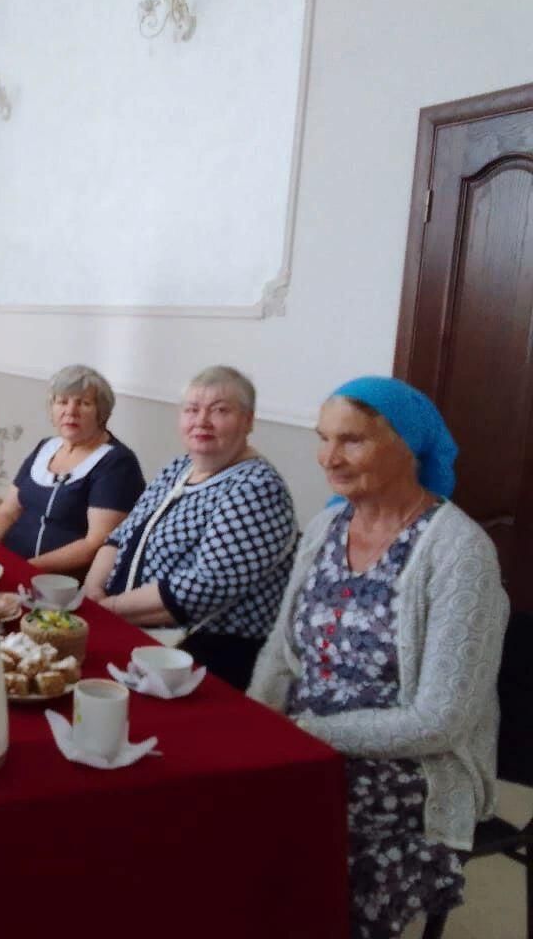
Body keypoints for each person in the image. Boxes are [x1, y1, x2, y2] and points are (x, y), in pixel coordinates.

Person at [249, 377, 508, 939]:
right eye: (323, 438)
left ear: (407, 446)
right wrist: (253, 727)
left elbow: (439, 721)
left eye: (352, 441)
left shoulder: (459, 552)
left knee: (293, 822)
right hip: (305, 733)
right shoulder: (326, 525)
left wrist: (304, 733)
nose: (329, 458)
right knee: (219, 788)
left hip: (414, 766)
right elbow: (279, 652)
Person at [85, 365, 297, 689]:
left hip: (201, 656)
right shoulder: (181, 466)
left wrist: (106, 609)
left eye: (220, 410)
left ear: (248, 420)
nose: (202, 421)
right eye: (192, 410)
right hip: (132, 625)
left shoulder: (257, 487)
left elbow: (201, 589)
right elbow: (122, 534)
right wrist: (92, 590)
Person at [0, 365, 145, 575]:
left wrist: (25, 569)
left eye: (84, 403)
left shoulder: (117, 463)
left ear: (101, 413)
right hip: (11, 564)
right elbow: (8, 511)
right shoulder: (46, 447)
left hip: (60, 582)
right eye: (62, 402)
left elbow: (95, 543)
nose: (70, 411)